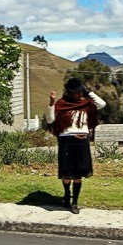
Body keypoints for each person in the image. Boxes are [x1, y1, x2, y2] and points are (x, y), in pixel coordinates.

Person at [46, 77, 106, 213]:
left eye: (79, 92)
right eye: (74, 92)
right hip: (66, 141)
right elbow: (50, 120)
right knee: (66, 174)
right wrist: (51, 102)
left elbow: (102, 104)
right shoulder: (61, 104)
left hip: (82, 141)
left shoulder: (86, 104)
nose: (77, 95)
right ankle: (67, 195)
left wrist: (88, 92)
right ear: (69, 93)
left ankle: (74, 203)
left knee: (78, 175)